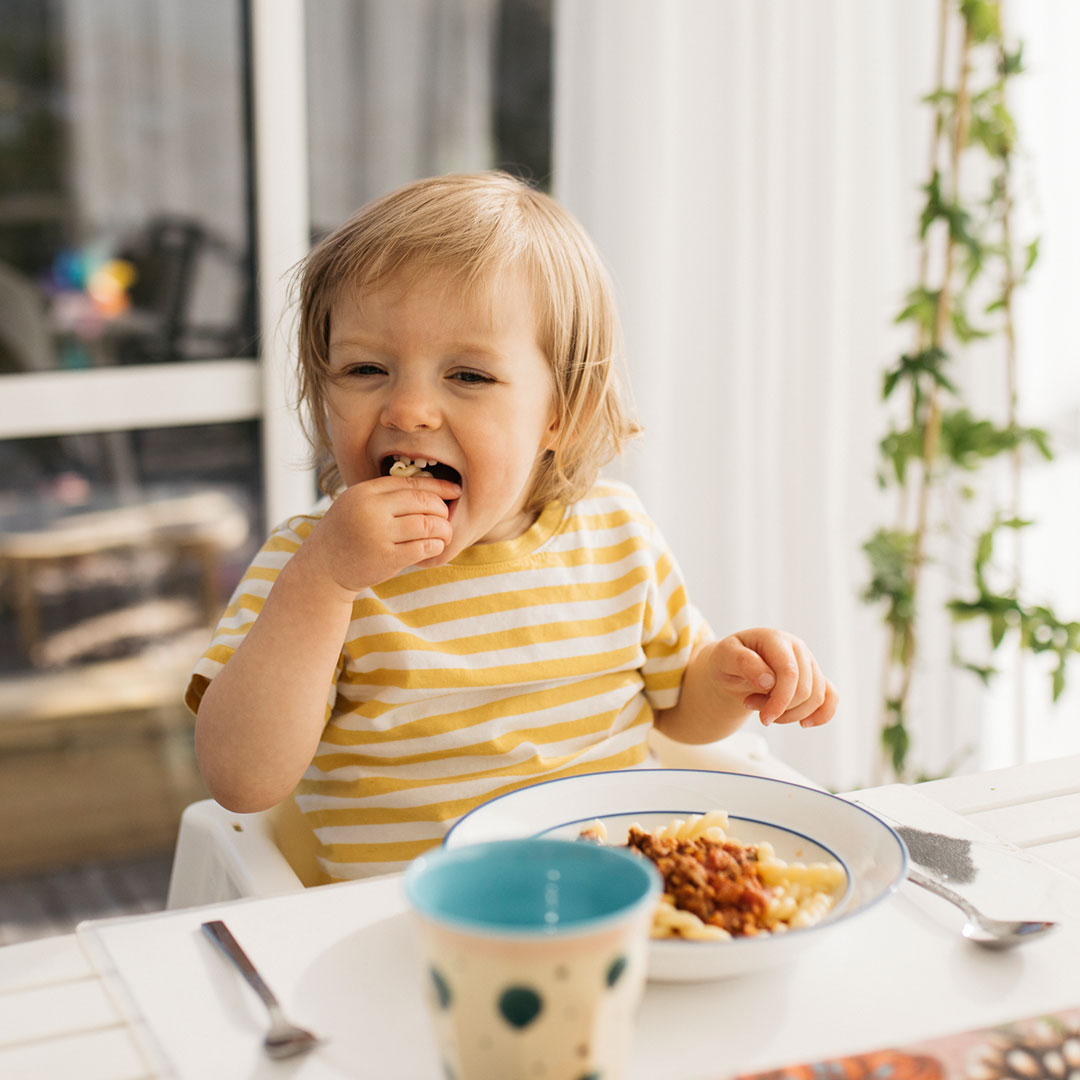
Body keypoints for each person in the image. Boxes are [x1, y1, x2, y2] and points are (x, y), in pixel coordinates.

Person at [188, 172, 837, 883]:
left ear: (563, 413)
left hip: (614, 905)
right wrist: (324, 582)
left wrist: (733, 675)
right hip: (418, 935)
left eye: (467, 376)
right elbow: (241, 783)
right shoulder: (310, 565)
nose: (409, 410)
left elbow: (679, 714)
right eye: (366, 368)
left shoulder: (616, 534)